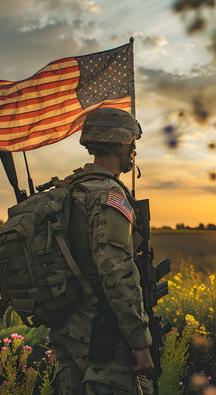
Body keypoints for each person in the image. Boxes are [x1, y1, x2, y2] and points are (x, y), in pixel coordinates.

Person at [49, 107, 155, 394]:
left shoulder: (70, 191)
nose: (132, 150)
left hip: (68, 327)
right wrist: (139, 341)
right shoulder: (108, 194)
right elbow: (116, 270)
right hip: (102, 334)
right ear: (122, 143)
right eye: (131, 143)